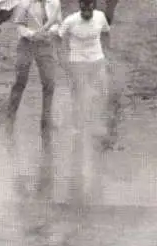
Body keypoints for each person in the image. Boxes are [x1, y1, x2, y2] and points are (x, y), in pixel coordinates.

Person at [57, 0, 110, 200]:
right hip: (77, 60)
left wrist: (107, 53)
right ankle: (78, 126)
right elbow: (59, 37)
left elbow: (106, 33)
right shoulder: (71, 21)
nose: (86, 12)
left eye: (89, 9)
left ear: (93, 7)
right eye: (83, 9)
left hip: (97, 59)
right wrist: (63, 57)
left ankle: (98, 123)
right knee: (80, 94)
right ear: (80, 8)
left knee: (102, 91)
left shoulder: (100, 17)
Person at [5, 0, 62, 147]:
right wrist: (32, 35)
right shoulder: (24, 3)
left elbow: (57, 22)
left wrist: (49, 32)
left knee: (49, 83)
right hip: (26, 44)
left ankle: (46, 120)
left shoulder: (54, 2)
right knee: (20, 81)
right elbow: (18, 25)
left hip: (46, 45)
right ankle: (10, 118)